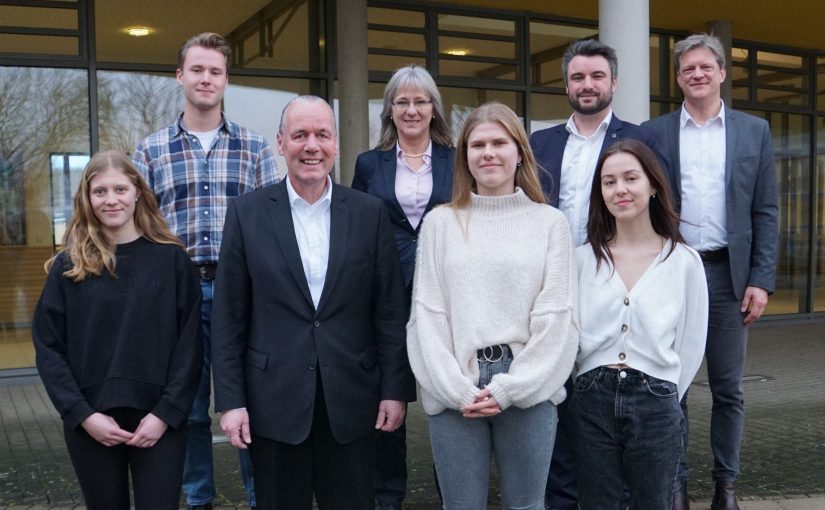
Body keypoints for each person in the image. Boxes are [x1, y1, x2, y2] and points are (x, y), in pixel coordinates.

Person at [211, 95, 416, 510]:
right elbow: (229, 317)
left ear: (336, 145)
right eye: (300, 135)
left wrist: (395, 390)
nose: (312, 146)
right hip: (274, 403)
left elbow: (390, 312)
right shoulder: (247, 214)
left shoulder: (368, 213)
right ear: (281, 143)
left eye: (322, 134)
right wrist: (231, 402)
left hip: (353, 402)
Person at [132, 32, 279, 510]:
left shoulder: (256, 150)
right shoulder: (150, 151)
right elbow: (140, 230)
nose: (206, 79)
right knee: (188, 410)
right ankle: (198, 499)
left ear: (226, 80)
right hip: (178, 295)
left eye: (215, 71)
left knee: (250, 404)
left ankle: (262, 496)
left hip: (242, 294)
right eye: (196, 70)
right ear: (180, 76)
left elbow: (273, 226)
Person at [406, 102, 578, 509]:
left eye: (499, 142)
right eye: (477, 144)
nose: (488, 153)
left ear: (519, 151)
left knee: (527, 505)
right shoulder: (439, 224)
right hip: (455, 389)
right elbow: (427, 318)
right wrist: (456, 389)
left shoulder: (550, 223)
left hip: (528, 386)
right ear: (464, 156)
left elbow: (558, 318)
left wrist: (511, 388)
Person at [528, 38, 671, 510]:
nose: (586, 85)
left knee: (606, 395)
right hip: (548, 284)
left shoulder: (641, 139)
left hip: (615, 281)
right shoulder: (540, 142)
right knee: (557, 392)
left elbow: (661, 207)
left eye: (595, 76)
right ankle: (563, 498)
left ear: (613, 82)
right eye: (577, 77)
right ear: (565, 84)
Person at [643, 33, 778, 510]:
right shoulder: (654, 132)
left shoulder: (753, 131)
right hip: (672, 271)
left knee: (728, 388)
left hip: (726, 276)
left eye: (705, 67)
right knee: (670, 386)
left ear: (722, 72)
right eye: (687, 69)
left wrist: (760, 279)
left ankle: (726, 486)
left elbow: (766, 210)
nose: (696, 75)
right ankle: (675, 485)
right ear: (678, 78)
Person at [32, 150, 203, 510]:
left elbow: (190, 346)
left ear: (138, 192)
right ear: (87, 198)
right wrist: (82, 414)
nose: (111, 200)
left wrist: (166, 414)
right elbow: (49, 348)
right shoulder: (69, 266)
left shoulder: (172, 260)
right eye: (100, 191)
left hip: (159, 422)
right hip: (91, 422)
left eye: (121, 189)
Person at [570, 139, 708, 510]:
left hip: (657, 401)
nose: (620, 190)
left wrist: (664, 390)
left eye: (631, 178)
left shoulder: (684, 262)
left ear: (654, 186)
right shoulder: (583, 259)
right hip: (591, 399)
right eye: (609, 182)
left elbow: (692, 342)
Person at [351, 64, 454, 510]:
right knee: (387, 401)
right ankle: (387, 496)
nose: (411, 109)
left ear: (434, 109)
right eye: (402, 101)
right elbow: (355, 228)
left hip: (445, 293)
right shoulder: (369, 164)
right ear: (389, 111)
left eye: (420, 101)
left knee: (447, 397)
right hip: (384, 295)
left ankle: (453, 491)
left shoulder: (458, 157)